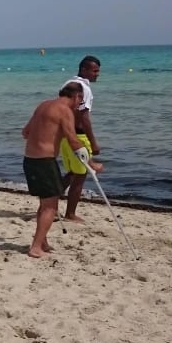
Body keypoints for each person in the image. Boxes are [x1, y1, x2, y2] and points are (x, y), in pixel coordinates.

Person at [23, 82, 100, 258]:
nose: (79, 105)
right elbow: (73, 141)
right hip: (44, 162)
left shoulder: (43, 105)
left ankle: (42, 241)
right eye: (80, 101)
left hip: (29, 160)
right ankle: (36, 247)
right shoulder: (65, 111)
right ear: (77, 97)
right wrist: (92, 163)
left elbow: (26, 132)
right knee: (51, 206)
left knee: (45, 203)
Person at [59, 55, 101, 223]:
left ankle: (50, 205)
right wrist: (93, 142)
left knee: (71, 173)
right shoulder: (84, 88)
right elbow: (84, 118)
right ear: (84, 69)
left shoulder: (66, 84)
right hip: (78, 135)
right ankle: (70, 214)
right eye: (94, 71)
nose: (97, 74)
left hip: (64, 135)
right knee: (80, 175)